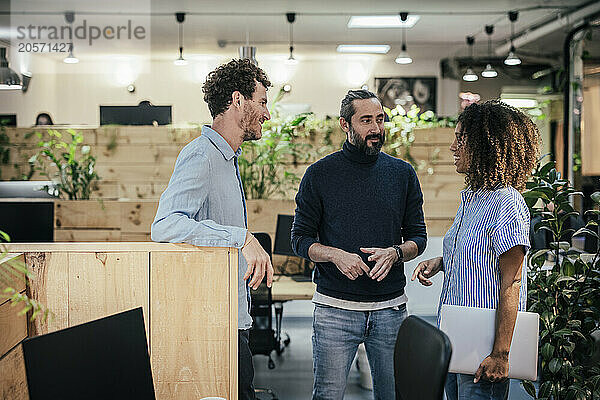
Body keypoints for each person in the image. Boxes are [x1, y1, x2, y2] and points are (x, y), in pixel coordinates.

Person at [291, 89, 427, 400]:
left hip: (391, 311)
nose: (376, 129)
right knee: (327, 395)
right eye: (366, 120)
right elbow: (300, 239)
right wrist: (334, 255)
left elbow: (418, 237)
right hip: (334, 312)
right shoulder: (319, 174)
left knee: (392, 395)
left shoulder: (402, 174)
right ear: (345, 124)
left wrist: (395, 253)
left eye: (380, 120)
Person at [151, 58, 274, 400]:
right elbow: (165, 225)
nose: (267, 113)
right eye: (262, 102)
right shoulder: (203, 156)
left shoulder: (227, 159)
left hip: (232, 318)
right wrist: (242, 237)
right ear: (238, 101)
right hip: (217, 327)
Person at [411, 100, 540, 400]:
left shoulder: (506, 203)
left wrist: (501, 354)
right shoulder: (471, 197)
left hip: (483, 353)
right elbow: (479, 254)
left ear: (484, 145)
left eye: (461, 139)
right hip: (456, 340)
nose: (453, 147)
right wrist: (442, 262)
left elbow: (512, 282)